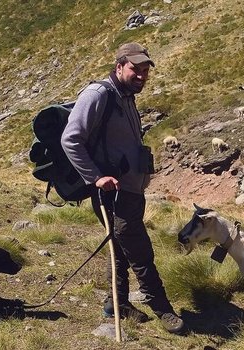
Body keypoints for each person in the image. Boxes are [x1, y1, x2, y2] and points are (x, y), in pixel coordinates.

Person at [60, 42, 184, 334]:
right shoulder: (98, 95)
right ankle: (162, 308)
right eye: (135, 69)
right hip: (112, 192)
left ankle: (115, 303)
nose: (141, 75)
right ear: (119, 67)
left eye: (145, 71)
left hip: (131, 189)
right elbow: (70, 139)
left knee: (118, 247)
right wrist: (95, 177)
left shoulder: (126, 97)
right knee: (140, 251)